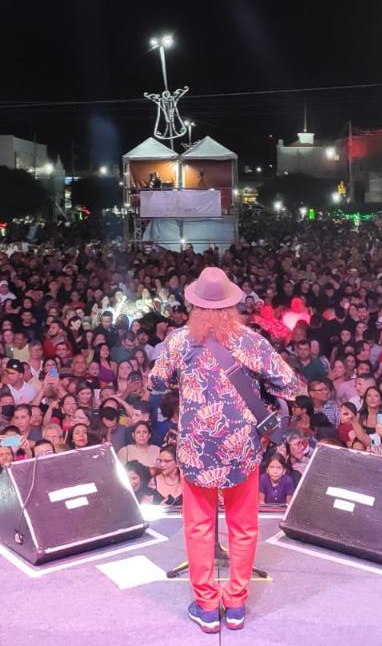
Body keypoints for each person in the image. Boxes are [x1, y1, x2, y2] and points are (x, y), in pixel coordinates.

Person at [149, 267, 300, 634]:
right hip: (241, 450)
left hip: (197, 451)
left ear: (194, 305)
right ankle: (235, 605)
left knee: (198, 527)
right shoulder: (250, 341)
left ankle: (205, 608)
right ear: (232, 304)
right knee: (244, 527)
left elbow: (156, 381)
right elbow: (290, 385)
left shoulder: (179, 342)